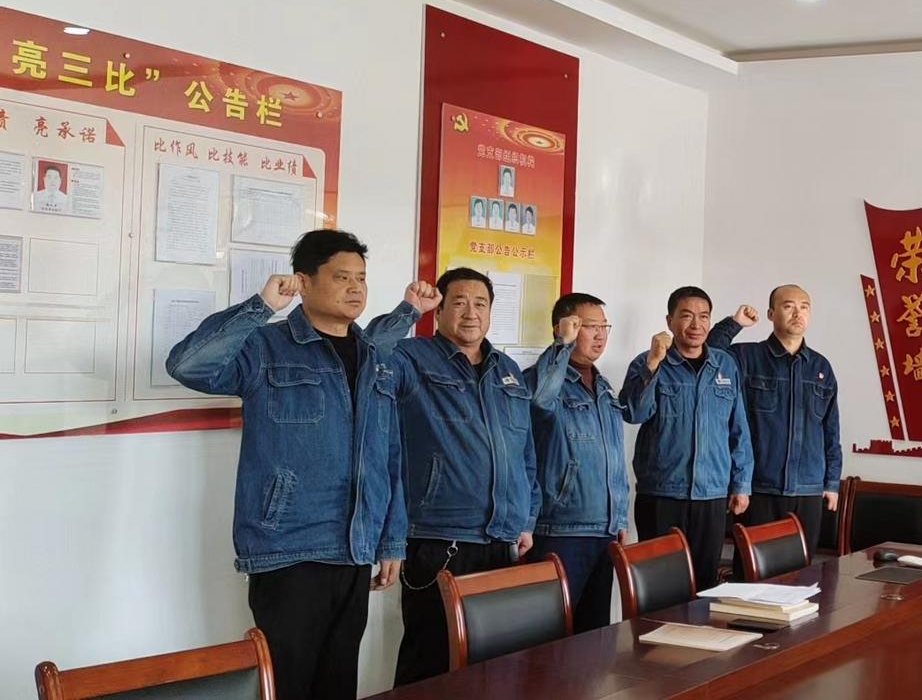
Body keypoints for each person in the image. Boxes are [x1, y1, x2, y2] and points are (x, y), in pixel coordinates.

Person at [165, 229, 434, 699]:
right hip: (288, 548)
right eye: (341, 277)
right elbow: (188, 365)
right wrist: (261, 306)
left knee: (337, 685)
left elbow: (387, 454)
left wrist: (392, 539)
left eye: (361, 278)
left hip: (355, 548)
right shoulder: (267, 346)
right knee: (287, 685)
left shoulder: (375, 357)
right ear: (303, 282)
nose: (355, 288)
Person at [373, 267, 539, 686]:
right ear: (440, 309)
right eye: (460, 302)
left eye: (480, 304)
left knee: (489, 665)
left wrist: (526, 516)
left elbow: (524, 452)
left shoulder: (507, 370)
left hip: (501, 541)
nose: (471, 313)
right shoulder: (411, 358)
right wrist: (408, 311)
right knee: (430, 662)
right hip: (439, 540)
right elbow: (367, 354)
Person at [621, 286, 752, 589]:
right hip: (662, 495)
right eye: (687, 316)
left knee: (705, 586)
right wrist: (653, 363)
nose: (696, 324)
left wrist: (742, 484)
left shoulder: (725, 365)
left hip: (712, 495)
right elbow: (633, 412)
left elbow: (739, 430)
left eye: (704, 317)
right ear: (669, 321)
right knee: (659, 586)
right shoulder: (647, 362)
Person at [707, 285, 841, 554]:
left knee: (801, 573)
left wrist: (832, 482)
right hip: (758, 488)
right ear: (771, 313)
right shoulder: (747, 357)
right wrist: (734, 323)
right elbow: (708, 355)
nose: (797, 313)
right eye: (788, 306)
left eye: (804, 307)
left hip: (807, 490)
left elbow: (831, 430)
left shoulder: (821, 367)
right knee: (752, 570)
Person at [525, 293, 631, 632]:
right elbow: (540, 401)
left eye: (604, 327)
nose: (599, 335)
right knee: (550, 633)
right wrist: (562, 345)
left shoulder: (603, 385)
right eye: (589, 326)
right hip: (561, 530)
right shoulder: (544, 380)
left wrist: (620, 516)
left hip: (604, 530)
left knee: (593, 635)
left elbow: (614, 457)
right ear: (564, 328)